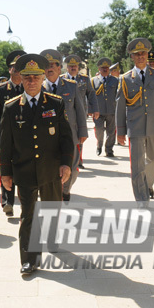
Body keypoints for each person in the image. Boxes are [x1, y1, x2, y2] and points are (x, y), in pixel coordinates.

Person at [0, 53, 74, 275]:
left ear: (43, 78)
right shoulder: (12, 107)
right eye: (27, 77)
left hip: (51, 170)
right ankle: (29, 260)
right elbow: (6, 143)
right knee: (28, 215)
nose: (32, 81)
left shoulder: (55, 103)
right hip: (24, 171)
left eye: (36, 77)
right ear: (21, 79)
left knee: (51, 209)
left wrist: (66, 164)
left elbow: (66, 138)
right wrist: (5, 173)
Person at [116, 38, 154, 206]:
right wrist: (120, 131)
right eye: (137, 54)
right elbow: (120, 106)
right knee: (137, 166)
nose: (141, 56)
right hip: (135, 127)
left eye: (143, 53)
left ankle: (147, 184)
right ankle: (142, 200)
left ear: (147, 55)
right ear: (132, 57)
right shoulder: (126, 79)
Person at [40, 49, 87, 202]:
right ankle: (57, 193)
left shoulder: (71, 86)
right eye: (47, 66)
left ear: (60, 68)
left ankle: (66, 189)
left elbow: (79, 110)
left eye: (53, 65)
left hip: (70, 135)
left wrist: (83, 132)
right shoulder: (38, 88)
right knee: (53, 169)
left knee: (72, 169)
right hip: (48, 138)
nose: (50, 68)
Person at [0, 50, 25, 217]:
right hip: (6, 137)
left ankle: (25, 200)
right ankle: (7, 202)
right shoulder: (0, 90)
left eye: (19, 67)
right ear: (9, 70)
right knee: (6, 168)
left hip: (25, 137)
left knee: (23, 169)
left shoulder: (30, 87)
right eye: (13, 68)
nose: (16, 71)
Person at [62, 54, 99, 169]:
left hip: (81, 112)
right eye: (71, 66)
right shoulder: (61, 80)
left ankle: (78, 160)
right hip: (66, 114)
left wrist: (95, 109)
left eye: (75, 66)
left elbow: (91, 94)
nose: (73, 68)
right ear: (67, 67)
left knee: (80, 135)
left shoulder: (84, 79)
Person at [91, 57, 118, 157]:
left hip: (111, 110)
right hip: (98, 111)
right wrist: (90, 110)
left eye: (107, 67)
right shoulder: (93, 81)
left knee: (111, 132)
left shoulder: (115, 81)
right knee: (99, 130)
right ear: (99, 69)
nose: (105, 69)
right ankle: (99, 144)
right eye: (103, 68)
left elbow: (118, 96)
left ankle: (109, 149)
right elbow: (89, 97)